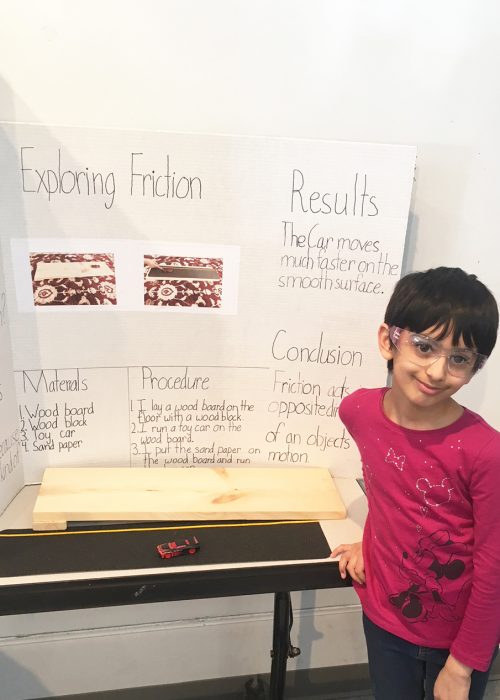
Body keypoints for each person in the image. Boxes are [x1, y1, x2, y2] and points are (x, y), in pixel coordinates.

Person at [331, 267, 500, 700]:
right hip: (384, 620)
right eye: (424, 347)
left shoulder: (486, 453)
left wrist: (463, 664)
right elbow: (389, 491)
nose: (437, 371)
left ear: (474, 368)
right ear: (388, 340)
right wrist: (369, 543)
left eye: (459, 359)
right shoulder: (358, 412)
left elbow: (495, 567)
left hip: (457, 641)